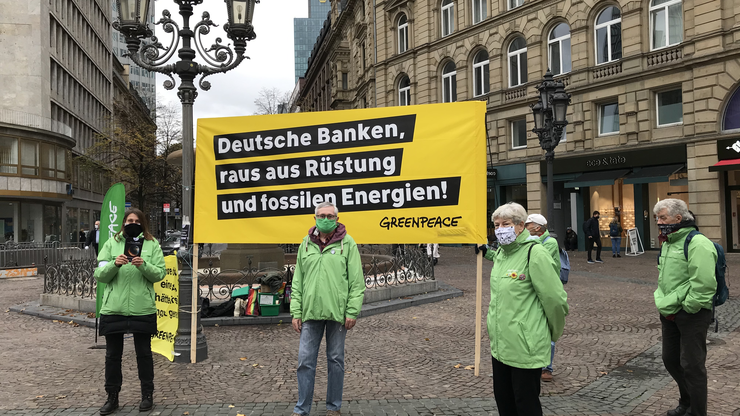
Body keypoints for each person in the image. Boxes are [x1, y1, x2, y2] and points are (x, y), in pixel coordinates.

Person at [475, 202, 569, 416]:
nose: (500, 229)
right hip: (500, 345)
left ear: (520, 226)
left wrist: (551, 333)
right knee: (504, 403)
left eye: (505, 224)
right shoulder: (501, 254)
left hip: (525, 347)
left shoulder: (535, 253)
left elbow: (555, 300)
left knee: (525, 405)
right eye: (496, 225)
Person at [291, 202, 365, 416]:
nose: (325, 219)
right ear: (314, 218)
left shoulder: (348, 244)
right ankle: (301, 408)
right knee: (305, 361)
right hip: (310, 313)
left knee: (335, 360)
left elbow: (357, 282)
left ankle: (334, 407)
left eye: (330, 216)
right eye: (321, 215)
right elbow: (298, 281)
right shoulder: (305, 244)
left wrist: (352, 311)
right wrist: (296, 311)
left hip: (338, 314)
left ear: (336, 219)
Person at [94, 208, 166, 415]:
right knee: (112, 356)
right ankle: (112, 397)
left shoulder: (152, 244)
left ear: (142, 223)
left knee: (144, 354)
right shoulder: (111, 243)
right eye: (129, 220)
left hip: (142, 307)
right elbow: (100, 274)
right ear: (123, 222)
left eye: (136, 220)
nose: (132, 223)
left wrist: (144, 265)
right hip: (113, 307)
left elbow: (160, 274)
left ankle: (147, 395)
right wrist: (114, 265)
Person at [654, 199, 717, 416]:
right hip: (669, 311)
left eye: (662, 217)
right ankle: (686, 402)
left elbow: (704, 284)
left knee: (693, 366)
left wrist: (685, 308)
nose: (658, 222)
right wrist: (665, 304)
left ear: (678, 218)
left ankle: (697, 411)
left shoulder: (698, 243)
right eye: (657, 218)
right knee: (671, 359)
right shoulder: (668, 242)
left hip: (692, 314)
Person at [524, 213, 560, 383]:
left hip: (547, 290)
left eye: (528, 224)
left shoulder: (549, 242)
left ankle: (547, 367)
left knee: (548, 329)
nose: (525, 227)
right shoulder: (531, 241)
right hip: (533, 289)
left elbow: (533, 256)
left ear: (537, 227)